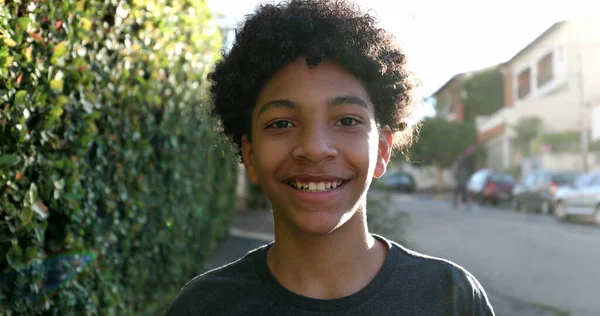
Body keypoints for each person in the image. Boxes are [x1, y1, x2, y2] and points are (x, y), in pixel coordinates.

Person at [166, 1, 495, 315]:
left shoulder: (451, 298)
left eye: (347, 120)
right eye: (281, 123)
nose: (314, 147)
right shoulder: (204, 307)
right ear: (250, 156)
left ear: (382, 149)